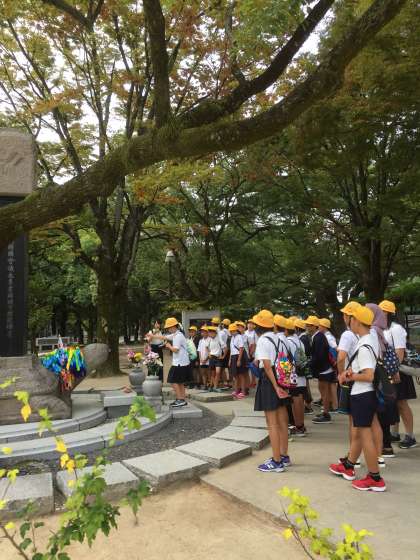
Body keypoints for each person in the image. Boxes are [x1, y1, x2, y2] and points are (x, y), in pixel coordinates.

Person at [330, 305, 386, 492]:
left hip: (363, 394)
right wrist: (351, 372)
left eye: (351, 318)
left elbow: (369, 375)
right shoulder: (370, 338)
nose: (349, 322)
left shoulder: (364, 345)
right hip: (366, 394)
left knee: (365, 436)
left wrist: (349, 376)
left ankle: (375, 477)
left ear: (357, 321)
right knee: (362, 434)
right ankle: (349, 465)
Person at [253, 310, 290, 473]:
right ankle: (284, 455)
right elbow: (285, 361)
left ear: (258, 325)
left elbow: (267, 366)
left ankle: (276, 462)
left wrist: (275, 387)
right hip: (282, 377)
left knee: (272, 423)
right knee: (282, 421)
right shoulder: (279, 339)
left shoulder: (263, 340)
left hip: (270, 381)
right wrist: (283, 385)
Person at [379, 300, 417, 449]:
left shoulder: (396, 329)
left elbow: (400, 353)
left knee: (401, 403)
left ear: (388, 313)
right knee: (393, 403)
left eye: (382, 311)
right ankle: (394, 433)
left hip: (398, 371)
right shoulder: (385, 329)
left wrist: (393, 370)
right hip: (391, 370)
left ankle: (410, 436)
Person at [367, 303, 399, 459]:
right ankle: (386, 445)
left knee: (379, 411)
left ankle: (383, 447)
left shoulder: (373, 331)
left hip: (377, 376)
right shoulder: (380, 330)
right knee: (382, 409)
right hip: (384, 375)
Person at [306, 316, 334, 424]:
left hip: (324, 369)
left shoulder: (318, 337)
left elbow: (319, 356)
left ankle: (326, 414)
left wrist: (310, 365)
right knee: (323, 391)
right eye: (307, 325)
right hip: (324, 368)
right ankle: (325, 412)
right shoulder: (318, 336)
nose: (307, 327)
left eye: (309, 325)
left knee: (324, 392)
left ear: (315, 326)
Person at [163, 317, 191, 408]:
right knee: (180, 382)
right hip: (181, 362)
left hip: (179, 363)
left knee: (172, 380)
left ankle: (180, 399)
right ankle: (182, 399)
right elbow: (164, 337)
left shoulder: (178, 336)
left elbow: (176, 350)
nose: (168, 329)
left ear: (173, 326)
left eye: (169, 327)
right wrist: (152, 336)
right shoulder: (176, 334)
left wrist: (168, 346)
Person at [286, 319, 307, 436]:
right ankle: (301, 425)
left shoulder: (287, 342)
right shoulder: (300, 341)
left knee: (295, 400)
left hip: (293, 374)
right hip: (301, 374)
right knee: (300, 399)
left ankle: (298, 426)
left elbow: (285, 360)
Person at [319, 318, 338, 413]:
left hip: (331, 365)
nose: (318, 327)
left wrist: (334, 362)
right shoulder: (328, 336)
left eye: (320, 325)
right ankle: (333, 405)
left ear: (324, 327)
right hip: (332, 364)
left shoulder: (328, 337)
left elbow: (335, 348)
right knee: (331, 385)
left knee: (332, 385)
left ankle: (334, 406)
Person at [295, 318, 313, 414]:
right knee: (306, 385)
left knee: (305, 386)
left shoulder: (302, 339)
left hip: (304, 365)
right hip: (306, 363)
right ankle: (308, 404)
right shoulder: (305, 337)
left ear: (297, 328)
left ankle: (308, 405)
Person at [229, 322, 246, 399]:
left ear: (236, 330)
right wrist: (230, 359)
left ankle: (243, 392)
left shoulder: (239, 337)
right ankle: (236, 390)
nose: (231, 332)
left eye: (233, 330)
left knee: (241, 375)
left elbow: (241, 349)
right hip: (233, 356)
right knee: (235, 375)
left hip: (238, 356)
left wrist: (239, 360)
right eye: (231, 331)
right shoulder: (232, 338)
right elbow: (231, 350)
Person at [208, 325, 225, 392]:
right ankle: (212, 386)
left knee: (218, 372)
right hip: (212, 358)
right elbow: (207, 347)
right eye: (210, 332)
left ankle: (215, 387)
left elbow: (225, 348)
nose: (210, 333)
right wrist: (209, 353)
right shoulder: (209, 340)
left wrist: (223, 356)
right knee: (212, 373)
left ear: (215, 333)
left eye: (212, 332)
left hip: (218, 358)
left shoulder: (219, 339)